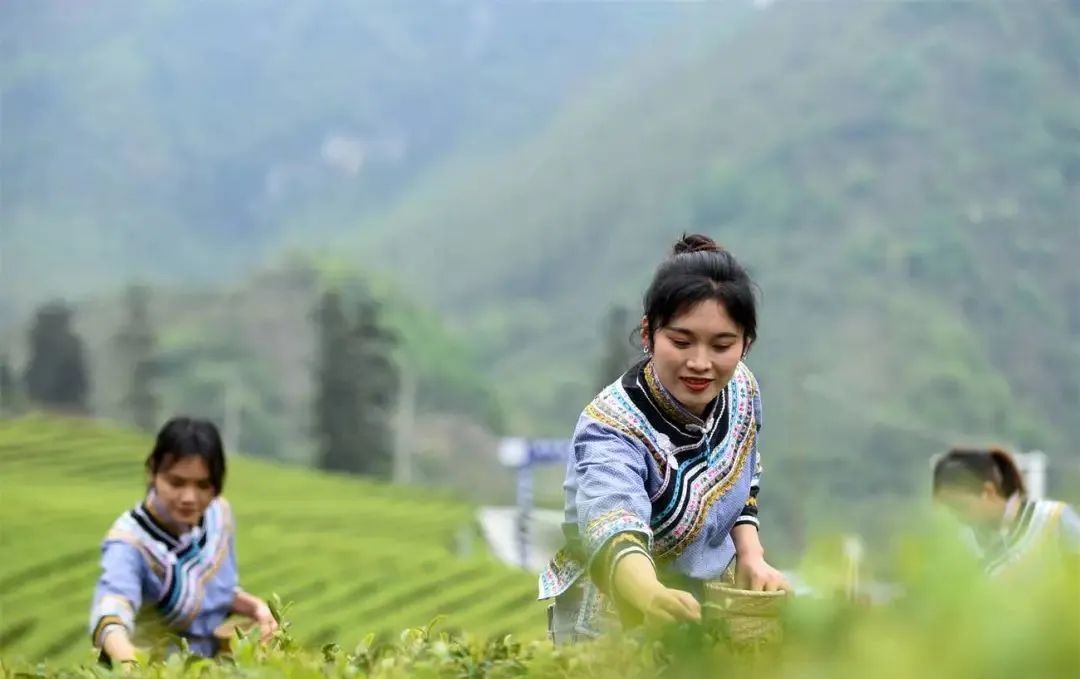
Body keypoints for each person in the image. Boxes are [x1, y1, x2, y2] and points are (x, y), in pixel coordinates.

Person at [538, 233, 789, 645]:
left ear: (746, 344)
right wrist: (650, 595)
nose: (700, 363)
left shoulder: (741, 390)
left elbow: (745, 474)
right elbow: (613, 524)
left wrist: (751, 554)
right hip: (609, 622)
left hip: (702, 607)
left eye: (722, 345)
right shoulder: (612, 427)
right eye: (681, 341)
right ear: (648, 333)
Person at [88, 416, 278, 667]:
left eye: (203, 485)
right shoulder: (130, 541)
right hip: (157, 666)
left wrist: (257, 608)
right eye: (176, 482)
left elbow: (217, 593)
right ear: (153, 472)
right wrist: (131, 663)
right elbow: (111, 613)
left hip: (212, 664)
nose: (189, 497)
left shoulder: (217, 515)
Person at [932, 446, 1080, 580]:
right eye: (950, 510)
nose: (957, 517)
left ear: (988, 491)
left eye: (960, 507)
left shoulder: (1054, 518)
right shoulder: (965, 544)